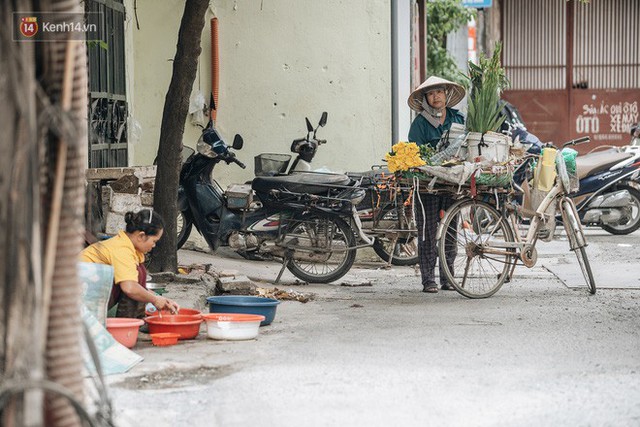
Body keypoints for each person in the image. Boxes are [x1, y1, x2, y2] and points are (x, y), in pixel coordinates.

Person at [407, 76, 466, 293]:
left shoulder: (457, 118)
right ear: (426, 99)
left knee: (450, 231)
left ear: (446, 94)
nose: (436, 96)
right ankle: (428, 279)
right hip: (427, 185)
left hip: (451, 183)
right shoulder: (420, 123)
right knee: (428, 232)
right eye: (431, 94)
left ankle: (448, 277)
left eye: (439, 92)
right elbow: (416, 153)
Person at [80, 209, 180, 317]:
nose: (154, 245)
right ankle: (128, 324)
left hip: (86, 290)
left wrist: (163, 300)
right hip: (76, 297)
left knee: (137, 274)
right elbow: (130, 288)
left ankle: (134, 322)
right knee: (136, 277)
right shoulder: (122, 249)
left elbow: (134, 285)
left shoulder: (127, 246)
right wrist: (155, 300)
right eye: (154, 241)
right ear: (141, 236)